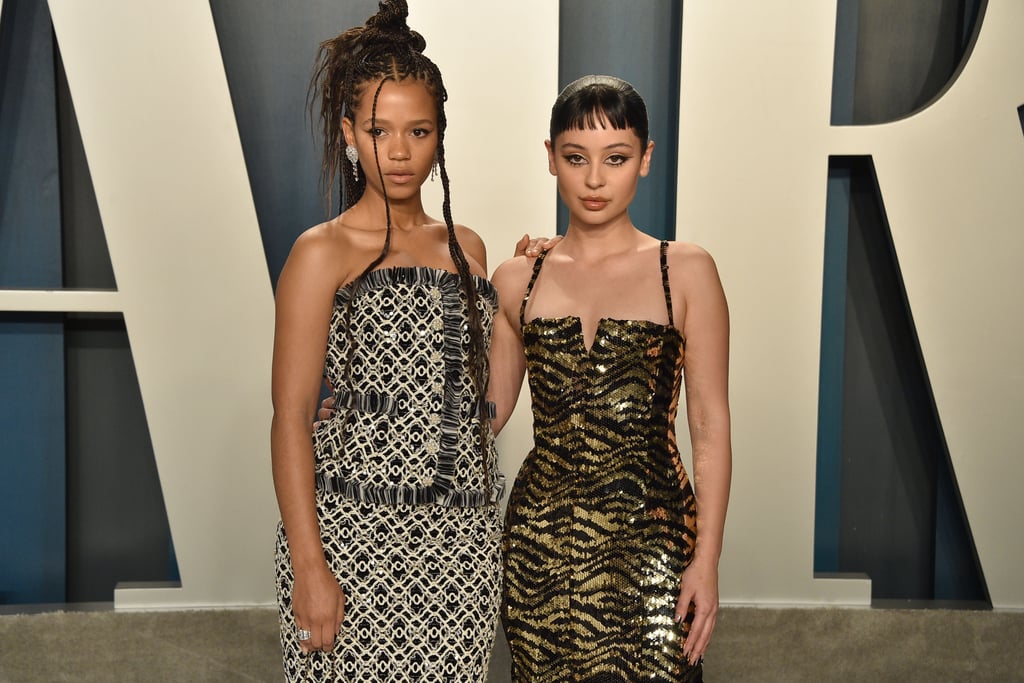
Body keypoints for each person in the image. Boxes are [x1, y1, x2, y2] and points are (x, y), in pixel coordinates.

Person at [269, 2, 545, 680]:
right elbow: (291, 419)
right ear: (349, 133)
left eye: (417, 131)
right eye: (379, 130)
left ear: (439, 135)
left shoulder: (468, 249)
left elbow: (487, 414)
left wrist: (516, 294)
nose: (398, 151)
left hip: (460, 547)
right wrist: (310, 565)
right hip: (348, 539)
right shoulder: (320, 252)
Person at [489, 75, 733, 682]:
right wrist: (374, 415)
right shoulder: (518, 280)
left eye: (616, 158)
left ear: (645, 159)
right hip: (538, 548)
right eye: (576, 158)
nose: (595, 179)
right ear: (551, 158)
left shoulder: (687, 270)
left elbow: (709, 426)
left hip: (655, 542)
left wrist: (707, 560)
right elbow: (482, 418)